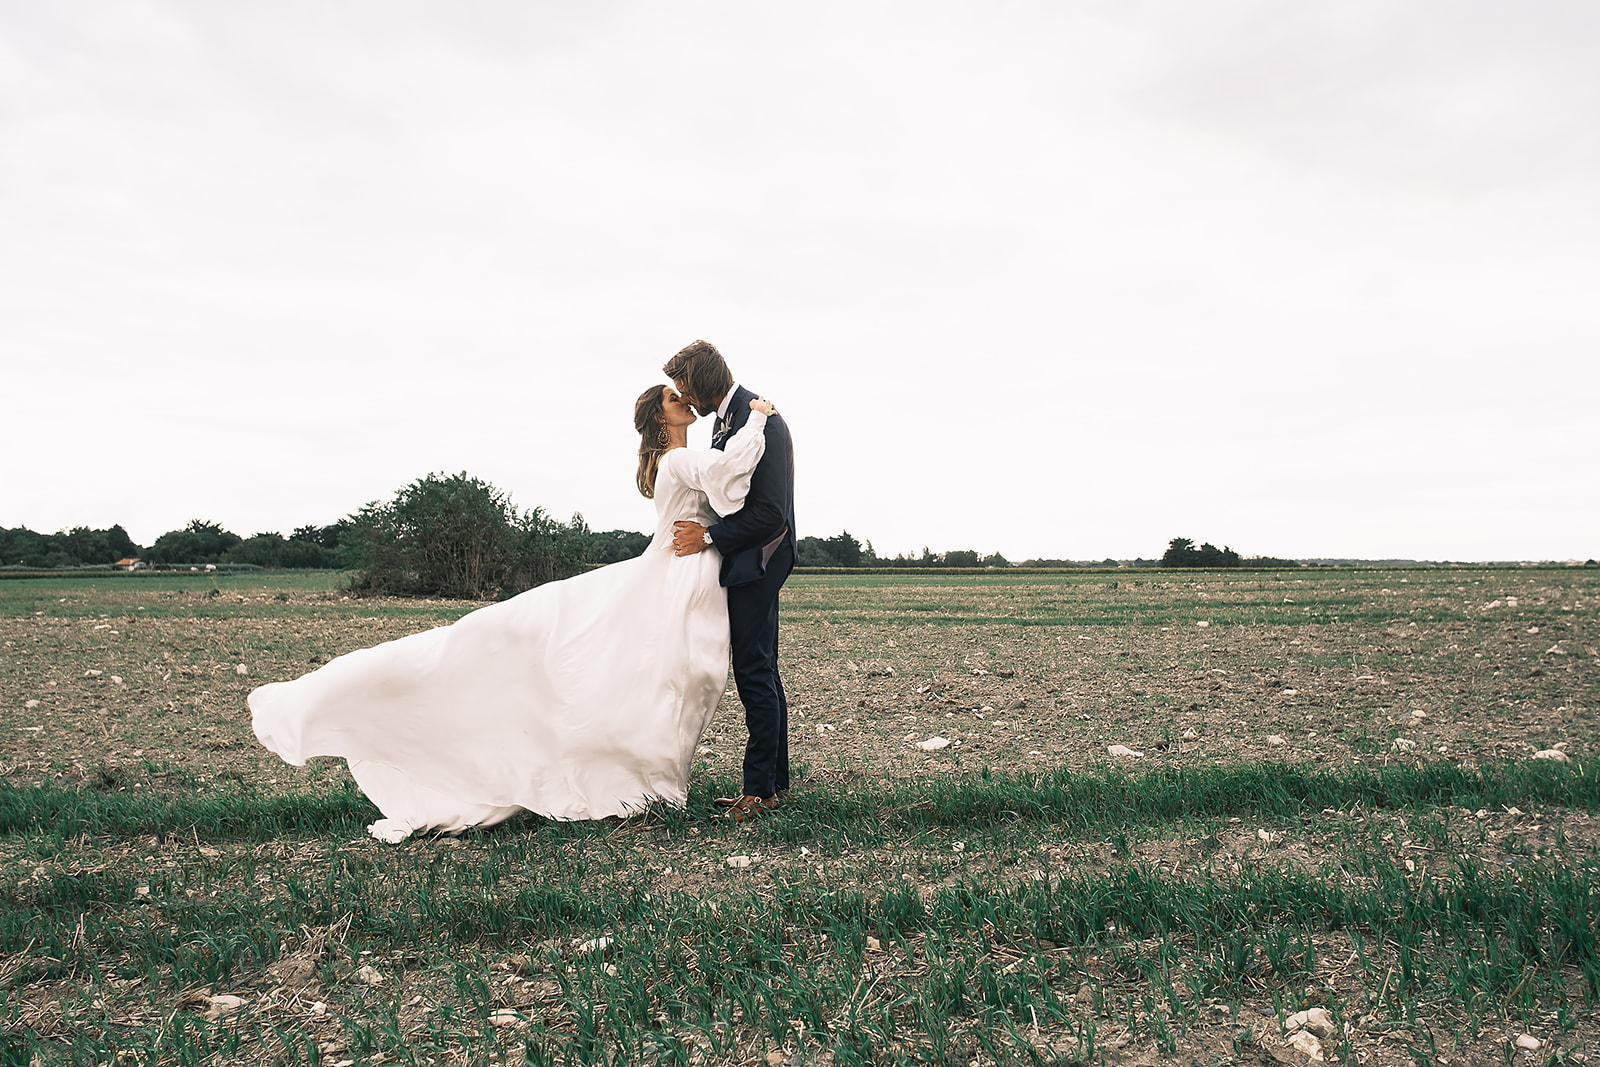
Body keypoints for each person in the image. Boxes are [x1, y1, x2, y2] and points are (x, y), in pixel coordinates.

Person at [248, 384, 777, 843]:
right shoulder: (678, 460)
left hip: (684, 575)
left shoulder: (677, 458)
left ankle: (649, 778)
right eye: (671, 397)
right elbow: (729, 470)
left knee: (666, 677)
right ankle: (644, 782)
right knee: (662, 674)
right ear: (659, 418)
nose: (683, 398)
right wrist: (757, 417)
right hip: (676, 578)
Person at [663, 340, 796, 823]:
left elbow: (770, 513)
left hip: (761, 557)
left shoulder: (763, 419)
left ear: (701, 382)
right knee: (764, 668)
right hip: (748, 558)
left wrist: (709, 537)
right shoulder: (730, 419)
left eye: (684, 387)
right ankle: (772, 785)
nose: (684, 397)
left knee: (754, 670)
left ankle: (758, 792)